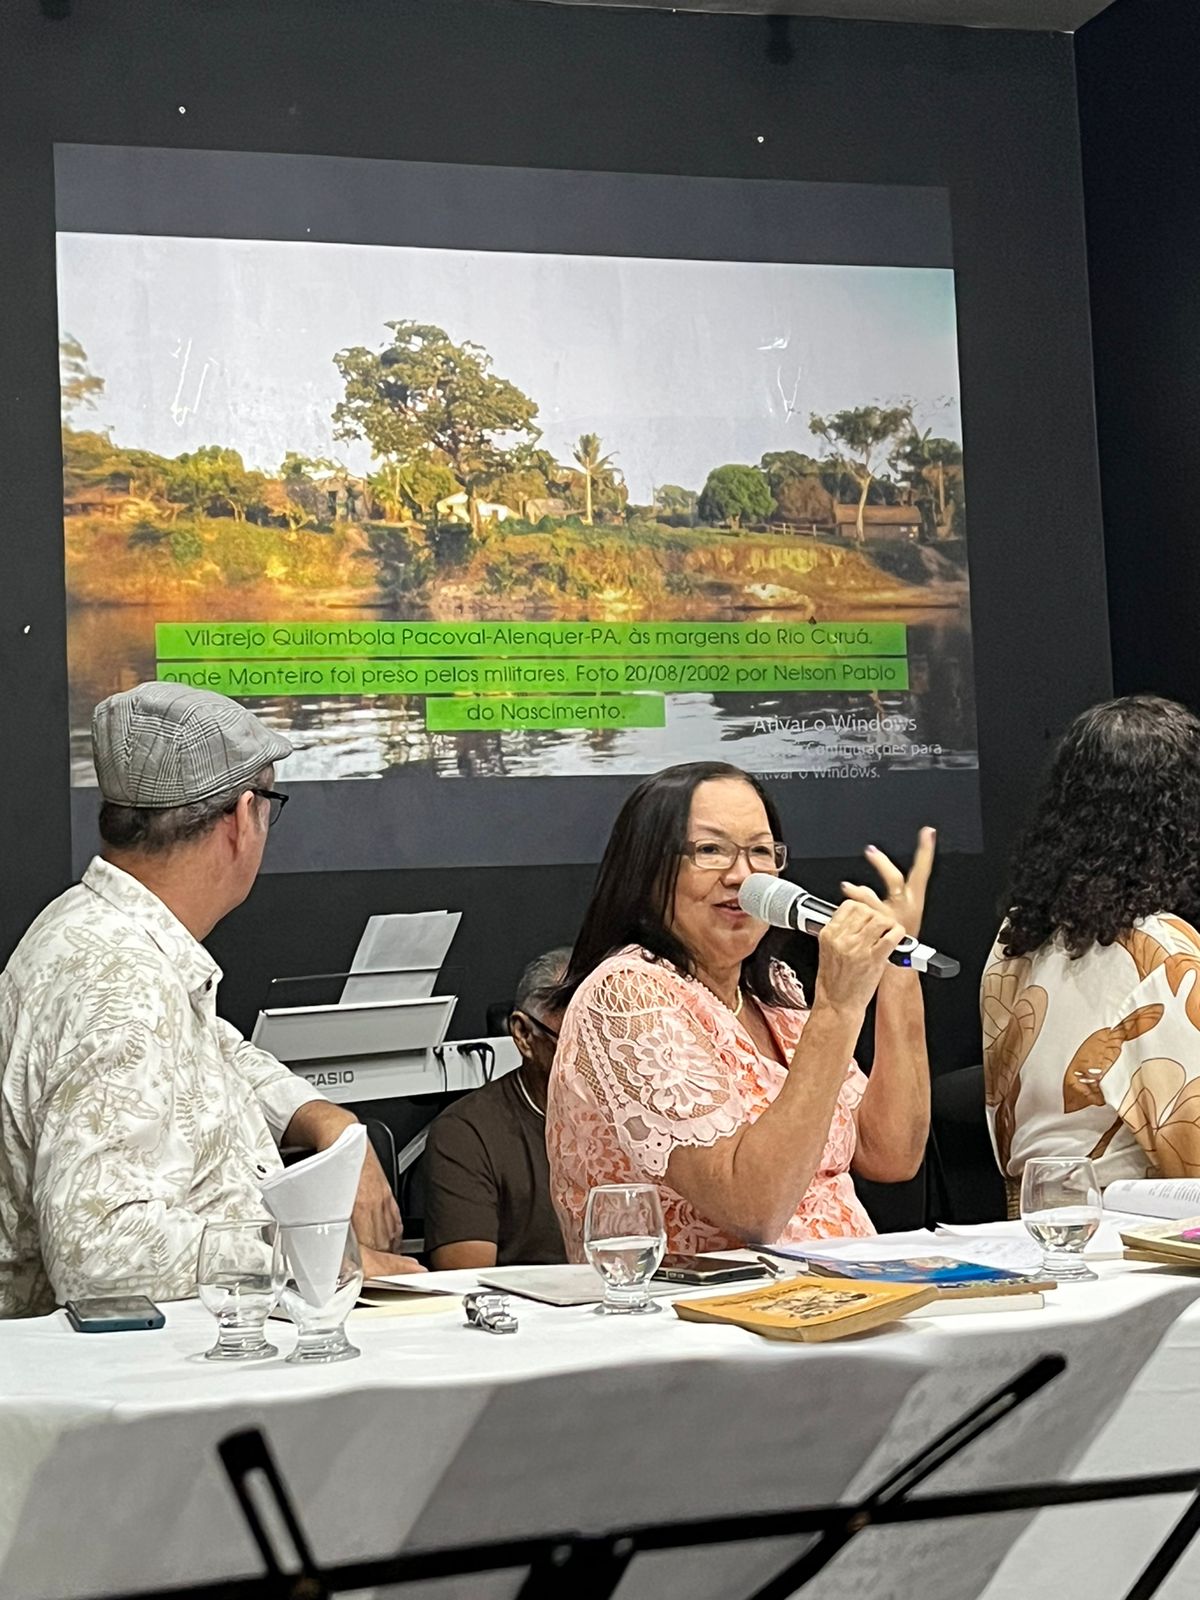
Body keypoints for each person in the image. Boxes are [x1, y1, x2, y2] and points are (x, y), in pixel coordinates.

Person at [0, 682, 421, 1318]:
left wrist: (328, 1120)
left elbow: (210, 1054)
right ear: (241, 817)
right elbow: (101, 1254)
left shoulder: (105, 932)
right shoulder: (116, 977)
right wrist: (317, 1260)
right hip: (136, 1391)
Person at [546, 761, 933, 1257]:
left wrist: (895, 964)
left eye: (759, 853)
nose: (743, 878)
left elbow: (892, 1153)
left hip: (834, 1297)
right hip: (698, 1313)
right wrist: (836, 1008)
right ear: (647, 870)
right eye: (711, 851)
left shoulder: (776, 990)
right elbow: (754, 1210)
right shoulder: (627, 996)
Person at [983, 695, 1200, 1205]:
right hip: (1132, 1240)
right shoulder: (1162, 951)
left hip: (1030, 1225)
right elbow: (1191, 1151)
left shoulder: (1016, 938)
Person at [424, 948, 570, 1270]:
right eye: (575, 1038)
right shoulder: (466, 1134)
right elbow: (463, 1283)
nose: (598, 1052)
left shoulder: (644, 1118)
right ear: (523, 1035)